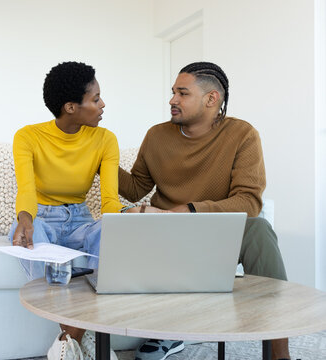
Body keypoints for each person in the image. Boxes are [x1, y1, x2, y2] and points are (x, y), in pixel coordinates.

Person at [119, 62, 291, 360]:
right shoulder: (157, 136)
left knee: (259, 230)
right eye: (173, 92)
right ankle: (165, 332)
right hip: (163, 235)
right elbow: (135, 188)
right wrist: (97, 158)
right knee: (118, 225)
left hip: (214, 236)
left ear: (212, 99)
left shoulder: (242, 134)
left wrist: (191, 209)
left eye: (182, 93)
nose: (172, 100)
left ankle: (279, 353)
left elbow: (249, 202)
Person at [9, 61, 122, 360]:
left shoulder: (105, 139)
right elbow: (27, 190)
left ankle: (66, 341)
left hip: (82, 220)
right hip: (42, 218)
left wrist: (125, 222)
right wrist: (25, 219)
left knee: (110, 232)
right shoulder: (28, 137)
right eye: (95, 99)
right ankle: (88, 338)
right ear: (71, 107)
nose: (102, 104)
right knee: (35, 241)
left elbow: (110, 201)